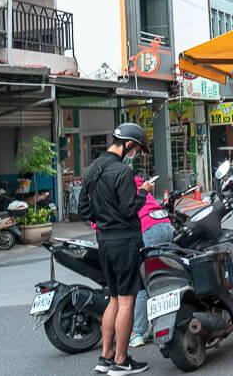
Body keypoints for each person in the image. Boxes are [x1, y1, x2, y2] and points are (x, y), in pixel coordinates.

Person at [78, 123, 152, 375]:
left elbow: (83, 210)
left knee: (113, 298)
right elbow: (130, 208)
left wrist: (103, 220)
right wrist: (143, 192)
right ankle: (121, 360)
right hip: (125, 242)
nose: (136, 154)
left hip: (104, 242)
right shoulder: (122, 172)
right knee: (127, 300)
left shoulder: (91, 169)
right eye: (137, 149)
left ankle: (105, 356)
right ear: (129, 144)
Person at [129, 176, 174, 348]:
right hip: (165, 224)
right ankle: (162, 325)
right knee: (163, 278)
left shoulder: (122, 185)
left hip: (148, 228)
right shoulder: (139, 184)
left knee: (145, 281)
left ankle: (138, 332)